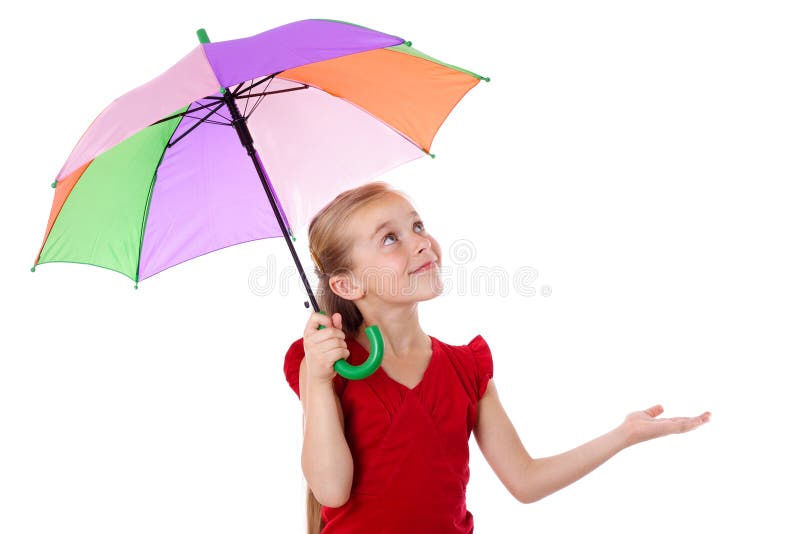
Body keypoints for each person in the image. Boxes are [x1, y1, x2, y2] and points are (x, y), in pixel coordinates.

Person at [283, 181, 711, 533]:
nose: (421, 243)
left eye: (418, 226)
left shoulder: (466, 369)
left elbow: (525, 480)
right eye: (391, 238)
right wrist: (319, 382)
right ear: (347, 285)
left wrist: (625, 434)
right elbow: (332, 490)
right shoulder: (326, 367)